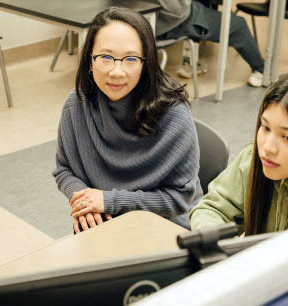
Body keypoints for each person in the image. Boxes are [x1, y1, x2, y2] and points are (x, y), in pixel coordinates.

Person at [53, 7, 203, 234]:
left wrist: (109, 200)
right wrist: (86, 203)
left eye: (131, 59)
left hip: (164, 227)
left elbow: (179, 199)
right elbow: (64, 170)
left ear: (146, 63)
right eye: (105, 57)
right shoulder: (77, 105)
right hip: (103, 222)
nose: (117, 71)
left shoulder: (173, 114)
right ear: (89, 61)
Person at [190, 68, 288, 235]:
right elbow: (212, 209)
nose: (268, 147)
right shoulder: (252, 159)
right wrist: (222, 246)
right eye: (266, 127)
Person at [156, 0, 266, 87]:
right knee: (239, 25)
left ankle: (191, 63)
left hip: (152, 20)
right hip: (174, 22)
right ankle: (261, 70)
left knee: (203, 5)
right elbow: (179, 9)